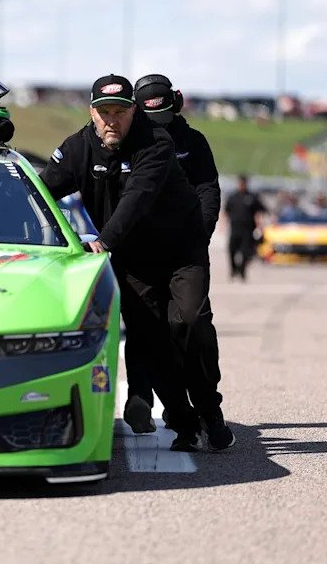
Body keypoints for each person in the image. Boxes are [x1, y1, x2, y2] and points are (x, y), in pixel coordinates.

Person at [40, 74, 234, 452]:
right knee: (153, 340)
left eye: (120, 112)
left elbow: (137, 198)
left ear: (133, 112)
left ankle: (211, 409)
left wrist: (104, 241)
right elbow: (44, 190)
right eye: (104, 112)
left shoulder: (157, 144)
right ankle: (183, 421)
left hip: (181, 252)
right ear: (92, 113)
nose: (112, 119)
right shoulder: (78, 148)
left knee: (188, 324)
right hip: (133, 261)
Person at [123, 74, 221, 434]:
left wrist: (201, 232)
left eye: (163, 115)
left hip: (185, 250)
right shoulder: (126, 142)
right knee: (142, 327)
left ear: (175, 105)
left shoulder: (193, 142)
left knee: (191, 322)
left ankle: (208, 402)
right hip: (139, 253)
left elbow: (209, 189)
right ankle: (144, 399)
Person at [224, 174, 267, 281]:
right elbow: (226, 211)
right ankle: (234, 269)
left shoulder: (252, 197)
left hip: (247, 229)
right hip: (235, 228)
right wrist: (223, 224)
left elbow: (260, 210)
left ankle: (242, 272)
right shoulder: (233, 197)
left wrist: (259, 224)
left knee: (245, 252)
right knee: (231, 250)